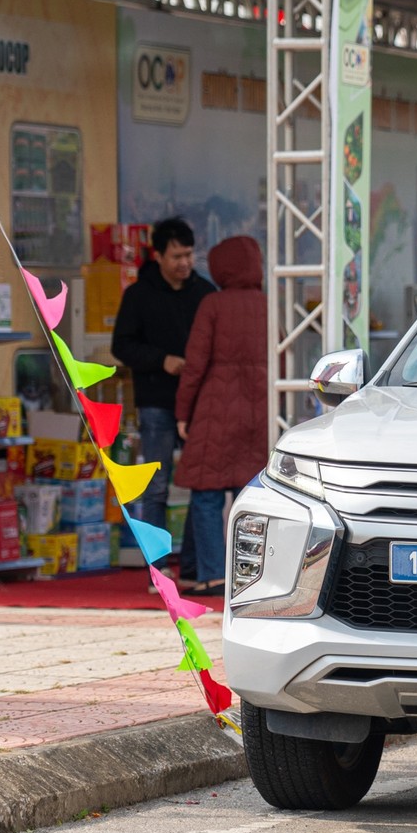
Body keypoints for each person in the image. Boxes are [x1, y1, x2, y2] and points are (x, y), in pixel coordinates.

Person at [111, 217, 216, 574]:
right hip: (155, 401)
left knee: (203, 485)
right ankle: (157, 569)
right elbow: (121, 346)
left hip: (199, 405)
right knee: (156, 488)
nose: (184, 263)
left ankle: (189, 565)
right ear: (158, 256)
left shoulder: (205, 293)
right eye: (176, 256)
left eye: (189, 255)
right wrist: (162, 361)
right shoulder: (138, 295)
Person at [172, 235, 267, 596]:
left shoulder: (212, 304)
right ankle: (244, 575)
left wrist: (184, 411)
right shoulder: (267, 305)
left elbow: (195, 365)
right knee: (252, 497)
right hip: (258, 412)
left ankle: (212, 574)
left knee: (207, 496)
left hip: (215, 410)